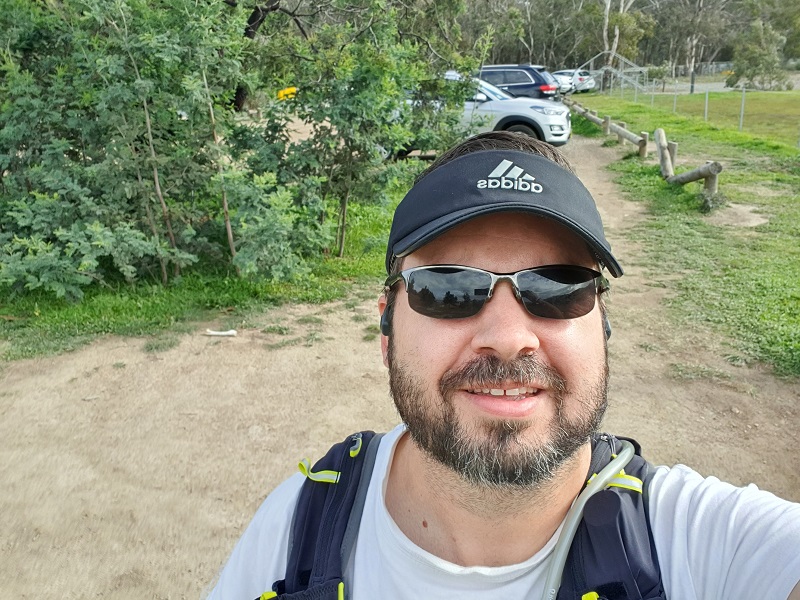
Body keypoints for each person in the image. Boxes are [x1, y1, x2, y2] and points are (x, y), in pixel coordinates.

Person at [207, 132, 800, 599]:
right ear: (386, 328)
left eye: (559, 287)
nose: (509, 338)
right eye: (448, 288)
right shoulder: (297, 525)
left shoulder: (703, 545)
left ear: (603, 325)